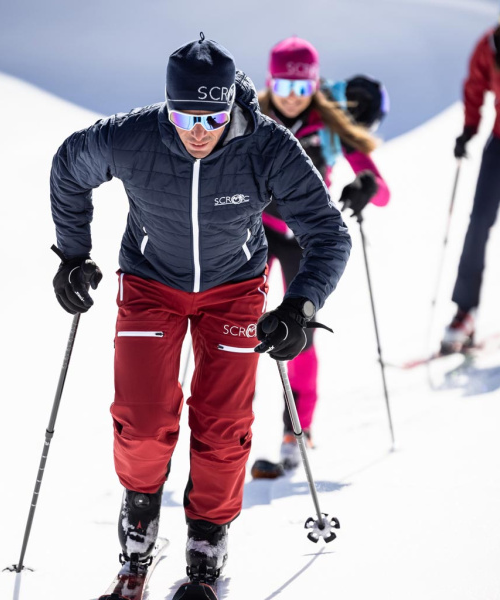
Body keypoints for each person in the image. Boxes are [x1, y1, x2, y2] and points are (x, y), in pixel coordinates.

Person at [49, 33, 351, 592]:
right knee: (142, 422)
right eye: (185, 116)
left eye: (212, 118)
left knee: (223, 425)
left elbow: (329, 233)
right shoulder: (132, 136)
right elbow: (69, 165)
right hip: (149, 282)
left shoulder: (267, 146)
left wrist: (301, 305)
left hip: (233, 289)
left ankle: (207, 543)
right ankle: (139, 525)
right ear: (168, 105)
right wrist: (72, 255)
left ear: (230, 108)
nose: (198, 133)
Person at [252, 36, 389, 474]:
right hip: (254, 235)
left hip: (302, 242)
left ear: (314, 86)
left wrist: (364, 185)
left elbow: (381, 190)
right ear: (270, 83)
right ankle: (228, 432)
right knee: (238, 331)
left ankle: (297, 430)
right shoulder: (251, 120)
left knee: (300, 338)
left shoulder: (328, 124)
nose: (292, 100)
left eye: (301, 89)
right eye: (283, 88)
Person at [441, 0, 500, 352]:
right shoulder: (491, 45)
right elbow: (475, 86)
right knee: (479, 221)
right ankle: (465, 311)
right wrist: (468, 130)